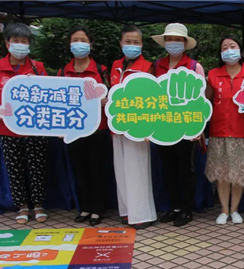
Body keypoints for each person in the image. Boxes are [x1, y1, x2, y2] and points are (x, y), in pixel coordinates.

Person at [0, 23, 49, 224]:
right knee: (15, 169)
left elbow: (50, 94)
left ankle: (38, 204)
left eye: (24, 41)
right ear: (7, 43)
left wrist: (37, 83)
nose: (20, 45)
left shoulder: (37, 67)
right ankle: (22, 206)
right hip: (8, 128)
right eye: (16, 41)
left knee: (37, 168)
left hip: (34, 128)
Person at [152, 23, 206, 227]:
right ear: (165, 42)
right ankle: (174, 208)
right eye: (170, 39)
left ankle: (186, 210)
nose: (173, 43)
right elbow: (150, 98)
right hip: (163, 127)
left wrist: (199, 129)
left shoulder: (194, 67)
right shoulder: (157, 66)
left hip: (186, 128)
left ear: (184, 43)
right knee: (168, 169)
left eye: (177, 40)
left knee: (186, 170)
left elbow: (201, 100)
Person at [59, 25, 111, 226]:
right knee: (79, 171)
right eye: (75, 40)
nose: (79, 44)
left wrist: (106, 100)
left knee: (97, 171)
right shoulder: (63, 72)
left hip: (98, 129)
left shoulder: (101, 70)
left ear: (91, 44)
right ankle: (85, 208)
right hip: (73, 130)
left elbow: (112, 96)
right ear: (69, 44)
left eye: (83, 40)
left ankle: (97, 210)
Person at [205, 36, 244, 225]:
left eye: (232, 46)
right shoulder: (213, 75)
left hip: (243, 131)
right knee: (222, 174)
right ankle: (224, 210)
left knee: (239, 174)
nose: (229, 50)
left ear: (240, 50)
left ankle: (234, 209)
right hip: (219, 131)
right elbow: (205, 101)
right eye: (224, 47)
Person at [110, 25, 157, 230]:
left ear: (142, 44)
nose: (131, 45)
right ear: (121, 43)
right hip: (117, 125)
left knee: (137, 170)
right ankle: (127, 211)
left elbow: (154, 98)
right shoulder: (115, 66)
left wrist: (149, 127)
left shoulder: (148, 67)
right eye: (128, 42)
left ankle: (142, 214)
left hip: (139, 127)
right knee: (121, 170)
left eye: (136, 42)